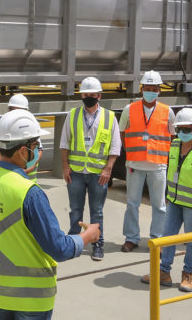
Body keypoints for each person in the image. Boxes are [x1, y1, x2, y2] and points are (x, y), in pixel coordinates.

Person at [0, 110, 100, 319]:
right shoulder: (30, 193)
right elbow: (58, 248)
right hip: (30, 298)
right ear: (22, 151)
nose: (37, 151)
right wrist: (87, 236)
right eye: (34, 146)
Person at [141, 108, 192, 292]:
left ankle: (188, 274)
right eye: (179, 129)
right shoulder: (174, 146)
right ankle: (163, 272)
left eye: (186, 129)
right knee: (167, 237)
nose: (182, 133)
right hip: (174, 201)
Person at [59, 77, 121, 261]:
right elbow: (64, 142)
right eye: (85, 94)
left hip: (98, 174)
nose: (88, 97)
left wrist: (108, 169)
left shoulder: (109, 117)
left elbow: (115, 146)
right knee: (75, 210)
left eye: (91, 95)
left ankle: (97, 244)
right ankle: (73, 241)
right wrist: (65, 167)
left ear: (99, 96)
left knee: (97, 211)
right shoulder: (73, 114)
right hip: (76, 172)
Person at [119, 70, 176, 252]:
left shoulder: (168, 112)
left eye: (154, 89)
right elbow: (121, 132)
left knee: (159, 205)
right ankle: (131, 237)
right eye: (147, 88)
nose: (150, 91)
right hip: (135, 164)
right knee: (132, 203)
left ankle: (157, 239)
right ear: (142, 89)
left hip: (158, 165)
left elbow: (173, 137)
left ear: (160, 91)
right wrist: (129, 151)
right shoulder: (129, 109)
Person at [0, 94, 42, 181]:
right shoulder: (5, 124)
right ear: (9, 110)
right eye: (14, 110)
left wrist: (31, 167)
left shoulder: (32, 123)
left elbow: (39, 149)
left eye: (20, 110)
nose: (18, 113)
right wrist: (9, 168)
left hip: (29, 173)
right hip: (8, 173)